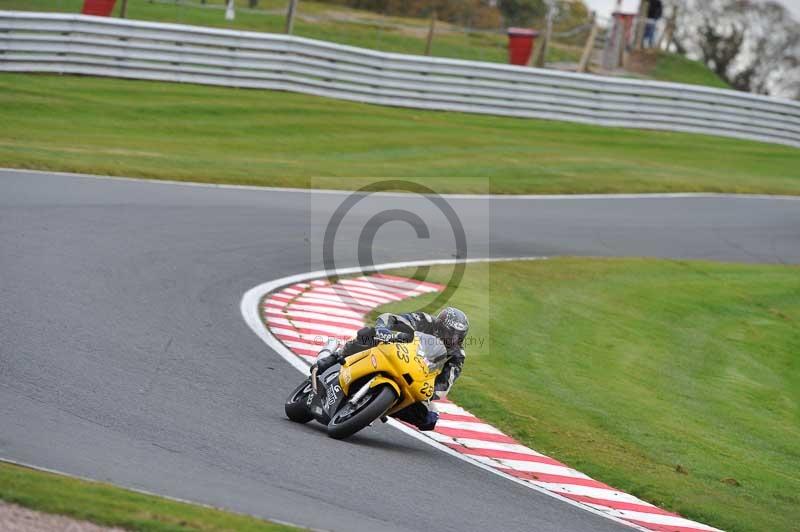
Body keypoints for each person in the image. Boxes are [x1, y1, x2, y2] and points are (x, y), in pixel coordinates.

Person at [312, 307, 469, 431]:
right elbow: (394, 319)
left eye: (457, 337)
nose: (451, 339)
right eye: (449, 333)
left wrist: (431, 393)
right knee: (368, 334)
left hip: (419, 377)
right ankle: (333, 357)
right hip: (399, 350)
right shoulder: (426, 320)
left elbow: (446, 383)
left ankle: (379, 407)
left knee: (429, 419)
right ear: (439, 326)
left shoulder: (458, 355)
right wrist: (384, 328)